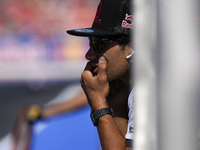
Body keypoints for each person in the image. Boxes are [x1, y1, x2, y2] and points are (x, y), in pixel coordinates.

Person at [67, 0, 133, 149]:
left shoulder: (149, 93)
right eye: (91, 42)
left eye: (99, 44)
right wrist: (116, 106)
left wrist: (99, 104)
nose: (89, 55)